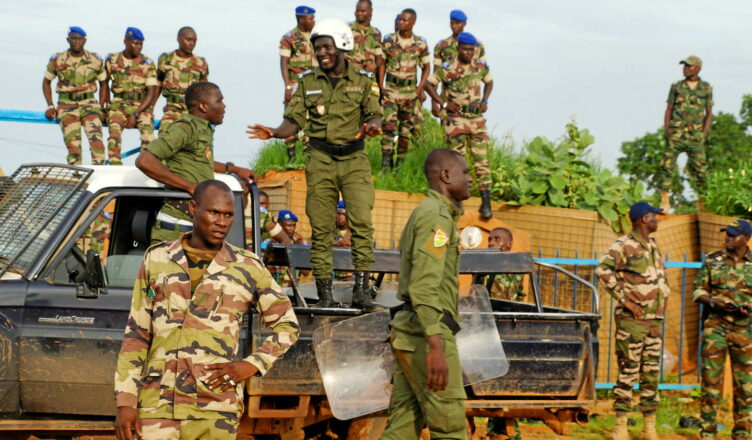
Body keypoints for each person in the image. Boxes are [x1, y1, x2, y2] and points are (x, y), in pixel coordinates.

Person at [113, 179, 300, 440]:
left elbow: (287, 326)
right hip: (158, 406)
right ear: (193, 208)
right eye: (213, 212)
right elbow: (137, 333)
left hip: (215, 408)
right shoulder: (157, 258)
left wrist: (251, 365)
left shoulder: (247, 267)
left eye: (228, 215)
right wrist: (125, 401)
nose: (222, 222)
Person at [247, 18, 382, 311]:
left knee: (361, 222)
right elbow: (293, 121)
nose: (321, 52)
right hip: (320, 158)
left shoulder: (363, 80)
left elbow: (375, 115)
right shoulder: (307, 82)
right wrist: (274, 132)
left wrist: (372, 126)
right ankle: (325, 293)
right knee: (321, 229)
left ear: (342, 46)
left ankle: (362, 290)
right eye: (317, 47)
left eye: (326, 47)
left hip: (354, 159)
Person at [381, 148, 472, 440]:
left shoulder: (432, 213)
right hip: (426, 333)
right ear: (445, 175)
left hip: (412, 329)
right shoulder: (437, 218)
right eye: (465, 172)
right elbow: (423, 284)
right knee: (450, 427)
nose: (470, 179)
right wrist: (436, 345)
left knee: (404, 426)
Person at [135, 82, 254, 244]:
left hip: (194, 223)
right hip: (176, 225)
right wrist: (190, 187)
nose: (224, 106)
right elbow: (145, 160)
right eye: (219, 101)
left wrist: (233, 169)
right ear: (204, 106)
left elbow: (202, 161)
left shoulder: (202, 129)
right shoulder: (185, 128)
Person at [595, 201, 669, 440]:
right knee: (628, 371)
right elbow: (602, 271)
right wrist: (625, 301)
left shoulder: (653, 245)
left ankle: (649, 426)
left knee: (651, 374)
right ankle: (621, 426)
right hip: (632, 321)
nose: (658, 219)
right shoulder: (623, 245)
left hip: (654, 322)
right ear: (644, 219)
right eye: (654, 215)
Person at [693, 219, 752, 440]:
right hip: (715, 328)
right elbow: (698, 290)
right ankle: (707, 434)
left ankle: (742, 434)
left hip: (746, 331)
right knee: (710, 383)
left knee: (746, 388)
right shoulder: (712, 260)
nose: (727, 237)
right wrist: (711, 302)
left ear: (745, 239)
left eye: (733, 235)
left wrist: (748, 308)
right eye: (726, 233)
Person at [424, 32, 494, 218]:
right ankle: (457, 202)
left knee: (482, 161)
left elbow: (489, 82)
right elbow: (428, 85)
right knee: (457, 161)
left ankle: (486, 201)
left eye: (472, 50)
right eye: (465, 49)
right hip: (456, 120)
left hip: (476, 119)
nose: (469, 53)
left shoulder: (480, 66)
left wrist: (485, 100)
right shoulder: (447, 68)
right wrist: (444, 103)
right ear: (458, 49)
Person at [43, 26, 108, 165]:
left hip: (89, 104)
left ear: (84, 40)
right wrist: (50, 105)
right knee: (73, 147)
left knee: (97, 144)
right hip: (67, 106)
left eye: (79, 39)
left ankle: (100, 177)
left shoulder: (95, 59)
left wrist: (101, 106)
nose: (76, 42)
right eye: (73, 38)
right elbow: (46, 82)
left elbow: (104, 83)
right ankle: (77, 179)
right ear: (68, 40)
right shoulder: (58, 59)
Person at [660, 55, 713, 212]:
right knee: (667, 165)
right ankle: (664, 200)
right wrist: (667, 130)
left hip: (695, 136)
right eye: (684, 66)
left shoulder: (706, 88)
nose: (685, 69)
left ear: (698, 68)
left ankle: (703, 202)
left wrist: (703, 133)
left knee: (701, 169)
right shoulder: (676, 87)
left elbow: (709, 113)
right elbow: (669, 109)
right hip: (677, 133)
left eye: (689, 66)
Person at [378, 8, 430, 170]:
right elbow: (382, 64)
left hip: (409, 93)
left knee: (405, 131)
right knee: (388, 127)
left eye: (405, 20)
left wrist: (419, 88)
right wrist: (381, 87)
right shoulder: (389, 40)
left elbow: (426, 67)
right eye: (400, 19)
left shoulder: (420, 43)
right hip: (391, 91)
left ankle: (400, 165)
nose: (401, 22)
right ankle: (386, 165)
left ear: (413, 22)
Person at [104, 27, 158, 165]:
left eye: (141, 43)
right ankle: (115, 167)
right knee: (114, 133)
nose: (138, 47)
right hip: (119, 103)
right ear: (126, 42)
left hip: (141, 105)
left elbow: (151, 93)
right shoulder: (112, 60)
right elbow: (104, 83)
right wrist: (104, 106)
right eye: (135, 43)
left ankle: (147, 167)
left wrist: (136, 113)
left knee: (149, 138)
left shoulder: (148, 63)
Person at [431, 9, 486, 119]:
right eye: (452, 23)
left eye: (457, 23)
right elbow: (435, 75)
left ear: (464, 24)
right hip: (450, 101)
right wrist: (435, 102)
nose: (454, 26)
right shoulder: (442, 46)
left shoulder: (477, 45)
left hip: (471, 101)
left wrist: (484, 100)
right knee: (448, 134)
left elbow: (483, 71)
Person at [279, 5, 317, 164]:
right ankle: (292, 157)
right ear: (301, 19)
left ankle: (311, 156)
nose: (313, 21)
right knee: (292, 117)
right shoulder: (289, 37)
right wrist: (287, 86)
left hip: (315, 85)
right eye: (310, 18)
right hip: (296, 84)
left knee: (314, 119)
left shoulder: (318, 35)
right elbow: (284, 62)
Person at [155, 27, 209, 134]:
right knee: (165, 137)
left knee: (199, 141)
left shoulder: (200, 63)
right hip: (172, 109)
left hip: (193, 112)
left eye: (194, 41)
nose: (191, 43)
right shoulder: (166, 59)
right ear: (179, 39)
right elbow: (157, 85)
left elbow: (206, 92)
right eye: (188, 40)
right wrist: (150, 108)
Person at [487, 227, 524, 301]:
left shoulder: (518, 270)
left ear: (509, 244)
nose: (491, 243)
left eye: (497, 239)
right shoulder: (484, 268)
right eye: (490, 240)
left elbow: (519, 294)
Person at [347, 0, 382, 74]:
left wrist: (375, 65)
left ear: (371, 11)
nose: (359, 13)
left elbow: (379, 57)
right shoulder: (347, 28)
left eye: (363, 11)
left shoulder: (376, 33)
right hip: (349, 74)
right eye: (357, 11)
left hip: (367, 76)